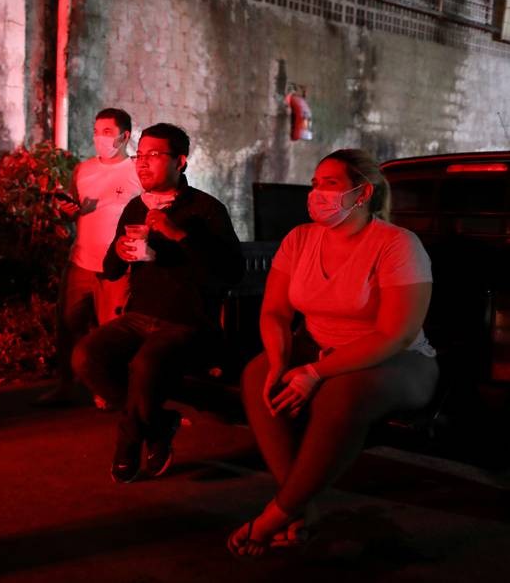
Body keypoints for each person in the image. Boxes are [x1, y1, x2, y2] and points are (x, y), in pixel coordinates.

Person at [228, 149, 438, 558]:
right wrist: (277, 360)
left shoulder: (397, 245)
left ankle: (276, 514)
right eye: (315, 184)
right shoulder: (300, 238)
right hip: (318, 347)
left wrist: (314, 373)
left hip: (396, 360)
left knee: (340, 398)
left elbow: (395, 335)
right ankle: (301, 506)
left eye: (330, 184)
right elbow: (274, 311)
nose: (317, 193)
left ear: (362, 193)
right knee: (257, 378)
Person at [72, 123, 243, 482]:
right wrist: (120, 251)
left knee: (146, 364)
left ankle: (130, 439)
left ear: (180, 161)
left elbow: (231, 272)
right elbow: (111, 268)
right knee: (87, 357)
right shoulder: (137, 207)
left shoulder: (206, 209)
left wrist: (179, 235)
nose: (142, 164)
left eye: (154, 155)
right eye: (139, 155)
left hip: (189, 320)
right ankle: (159, 423)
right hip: (139, 316)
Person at [34, 108, 143, 407]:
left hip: (118, 267)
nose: (99, 137)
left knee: (112, 330)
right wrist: (67, 212)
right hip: (81, 262)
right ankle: (65, 385)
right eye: (96, 130)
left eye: (107, 132)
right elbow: (72, 212)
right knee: (69, 325)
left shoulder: (136, 171)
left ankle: (108, 388)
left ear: (125, 136)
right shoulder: (83, 171)